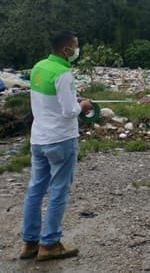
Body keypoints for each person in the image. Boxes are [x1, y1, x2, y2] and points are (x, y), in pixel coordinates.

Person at [20, 31, 92, 262]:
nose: (77, 51)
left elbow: (48, 100)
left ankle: (30, 243)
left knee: (35, 190)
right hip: (61, 139)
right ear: (66, 50)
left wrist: (72, 98)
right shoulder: (63, 73)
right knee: (58, 190)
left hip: (39, 139)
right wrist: (83, 104)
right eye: (75, 47)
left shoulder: (39, 67)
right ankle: (50, 244)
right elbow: (70, 111)